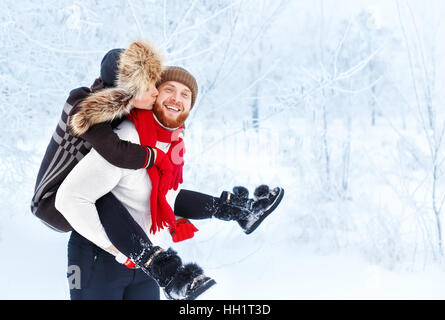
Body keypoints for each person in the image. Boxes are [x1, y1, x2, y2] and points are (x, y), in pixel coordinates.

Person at [33, 40, 284, 300]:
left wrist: (229, 210)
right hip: (97, 257)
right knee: (103, 198)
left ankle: (240, 213)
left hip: (145, 259)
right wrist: (117, 249)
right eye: (168, 89)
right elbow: (72, 197)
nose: (176, 98)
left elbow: (165, 196)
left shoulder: (169, 141)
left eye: (186, 94)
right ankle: (164, 268)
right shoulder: (122, 135)